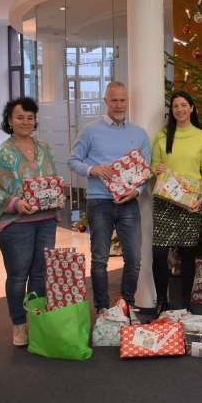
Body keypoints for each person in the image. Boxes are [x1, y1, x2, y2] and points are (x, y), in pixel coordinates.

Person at [67, 81, 151, 315]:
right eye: (113, 100)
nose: (118, 105)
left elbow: (145, 172)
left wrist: (137, 191)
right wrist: (91, 170)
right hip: (99, 202)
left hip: (129, 203)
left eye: (122, 100)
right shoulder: (90, 130)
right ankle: (103, 309)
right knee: (100, 260)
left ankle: (127, 305)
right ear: (105, 101)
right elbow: (72, 161)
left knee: (134, 259)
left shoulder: (139, 133)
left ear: (127, 101)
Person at [0, 97, 61, 346]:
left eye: (30, 117)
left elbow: (50, 179)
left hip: (46, 220)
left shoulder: (45, 148)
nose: (25, 122)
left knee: (40, 275)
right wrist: (15, 203)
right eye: (20, 117)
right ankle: (19, 326)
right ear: (9, 120)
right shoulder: (1, 153)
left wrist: (57, 192)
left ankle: (37, 323)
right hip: (15, 224)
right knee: (18, 276)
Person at [146, 91, 202, 322]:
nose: (179, 109)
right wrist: (157, 170)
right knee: (159, 253)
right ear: (171, 110)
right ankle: (162, 301)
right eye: (175, 106)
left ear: (192, 108)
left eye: (184, 105)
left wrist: (201, 197)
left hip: (191, 203)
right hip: (165, 201)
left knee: (188, 253)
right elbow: (155, 164)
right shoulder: (162, 135)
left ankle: (186, 300)